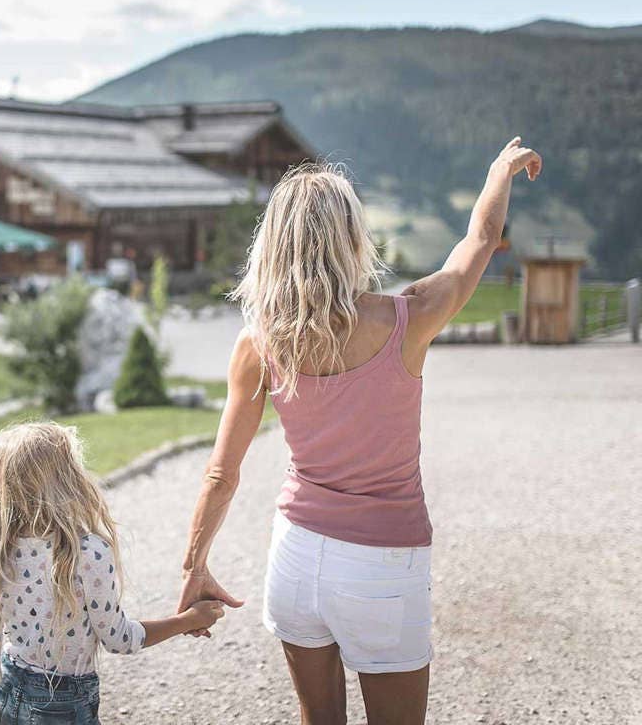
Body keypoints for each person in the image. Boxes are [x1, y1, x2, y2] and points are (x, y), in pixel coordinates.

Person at [175, 139, 541, 725]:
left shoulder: (258, 342)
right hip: (383, 567)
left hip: (294, 559)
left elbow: (221, 472)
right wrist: (499, 173)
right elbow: (478, 239)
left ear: (275, 245)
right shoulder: (410, 317)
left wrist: (194, 566)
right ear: (351, 238)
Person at [0, 422, 229, 724]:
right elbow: (118, 639)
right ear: (69, 481)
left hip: (7, 696)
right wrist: (188, 620)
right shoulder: (87, 552)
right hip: (62, 706)